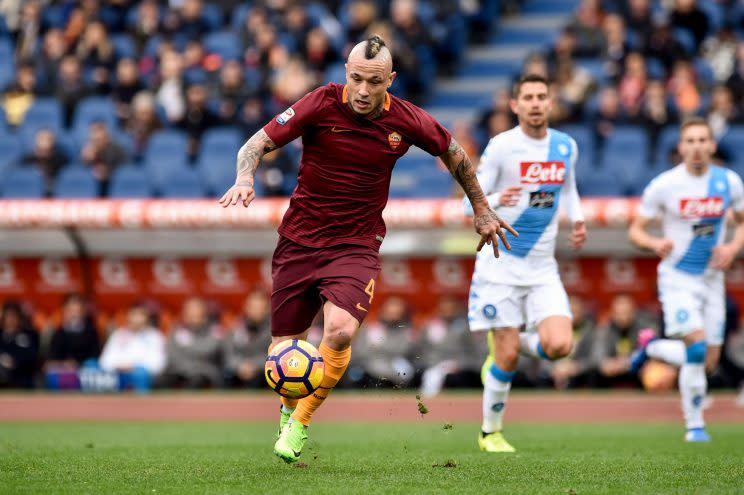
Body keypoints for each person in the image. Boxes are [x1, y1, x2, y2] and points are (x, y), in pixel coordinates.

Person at [219, 35, 515, 463]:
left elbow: (454, 153)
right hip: (298, 242)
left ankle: (300, 421)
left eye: (373, 82)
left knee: (338, 330)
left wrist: (481, 207)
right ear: (345, 73)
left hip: (356, 245)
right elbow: (255, 144)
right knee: (284, 353)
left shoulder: (407, 120)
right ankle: (288, 406)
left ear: (390, 80)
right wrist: (246, 178)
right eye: (355, 78)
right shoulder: (320, 103)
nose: (362, 90)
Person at [463, 73, 586, 453]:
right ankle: (490, 433)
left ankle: (513, 343)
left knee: (560, 347)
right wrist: (500, 197)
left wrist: (577, 218)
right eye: (527, 97)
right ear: (515, 105)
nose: (535, 103)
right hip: (500, 265)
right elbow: (469, 202)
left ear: (551, 103)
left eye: (541, 96)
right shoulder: (501, 147)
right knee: (508, 357)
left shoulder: (566, 146)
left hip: (542, 267)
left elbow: (568, 189)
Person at [628, 117, 744, 442]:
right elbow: (636, 230)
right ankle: (695, 426)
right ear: (681, 147)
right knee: (695, 347)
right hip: (677, 278)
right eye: (689, 141)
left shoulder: (729, 182)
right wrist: (654, 243)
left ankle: (654, 347)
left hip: (712, 280)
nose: (696, 147)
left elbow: (741, 222)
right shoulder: (665, 185)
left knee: (708, 361)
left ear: (711, 145)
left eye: (702, 140)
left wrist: (733, 246)